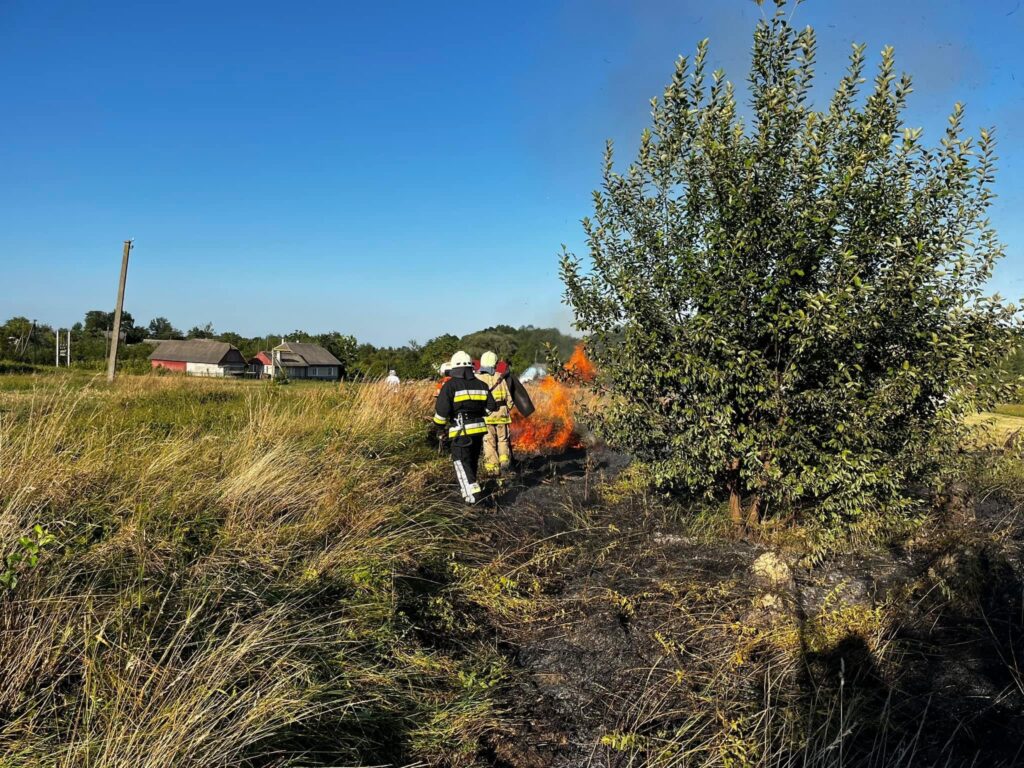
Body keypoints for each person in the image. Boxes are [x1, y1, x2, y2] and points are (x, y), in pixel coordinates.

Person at [433, 351, 497, 504]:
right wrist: (481, 413)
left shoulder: (450, 385)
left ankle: (474, 497)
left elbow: (441, 412)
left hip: (461, 431)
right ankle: (472, 492)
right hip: (479, 430)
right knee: (472, 462)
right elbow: (491, 406)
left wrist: (439, 428)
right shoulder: (482, 385)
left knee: (461, 463)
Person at [475, 351, 514, 478]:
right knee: (503, 439)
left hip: (486, 416)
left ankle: (492, 469)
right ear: (494, 363)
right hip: (502, 415)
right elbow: (509, 398)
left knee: (488, 441)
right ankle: (504, 463)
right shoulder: (500, 377)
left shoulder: (477, 378)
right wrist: (508, 408)